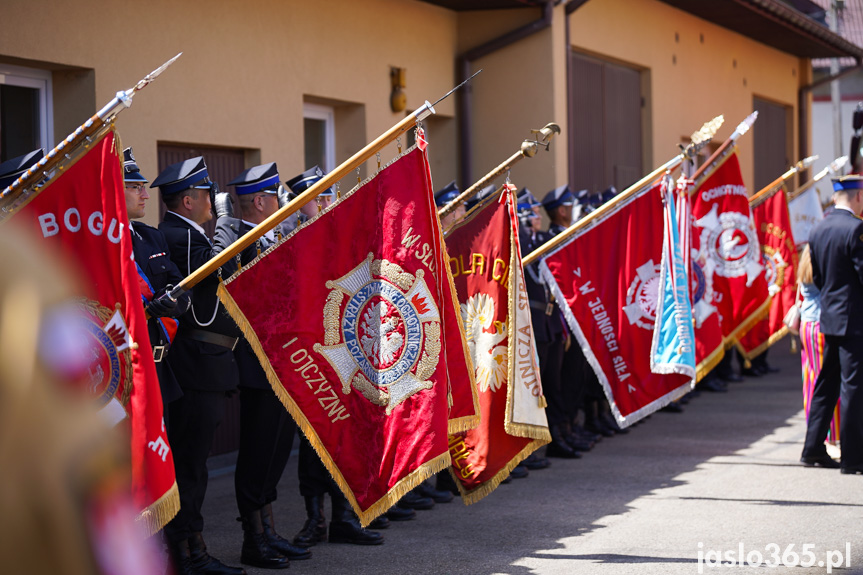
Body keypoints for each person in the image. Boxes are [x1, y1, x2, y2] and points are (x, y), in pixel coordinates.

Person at [213, 163, 311, 569]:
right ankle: (253, 539)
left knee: (276, 450)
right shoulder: (234, 235)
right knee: (256, 453)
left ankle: (269, 530)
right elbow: (230, 278)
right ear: (259, 201)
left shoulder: (282, 237)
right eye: (276, 197)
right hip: (257, 365)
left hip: (286, 362)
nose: (283, 205)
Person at [284, 167, 387, 546]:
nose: (327, 204)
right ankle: (316, 519)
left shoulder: (347, 238)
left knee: (349, 434)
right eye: (319, 198)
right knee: (314, 437)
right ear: (300, 203)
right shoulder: (289, 238)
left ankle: (346, 515)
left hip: (348, 351)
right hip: (309, 353)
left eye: (330, 195)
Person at [155, 157, 247, 575]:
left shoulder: (188, 234)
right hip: (195, 365)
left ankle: (192, 546)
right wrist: (227, 228)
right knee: (190, 466)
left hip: (208, 364)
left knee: (195, 464)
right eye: (208, 194)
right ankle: (187, 551)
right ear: (189, 200)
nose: (214, 200)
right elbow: (217, 272)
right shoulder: (177, 236)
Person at [801, 174, 863, 474]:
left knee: (826, 384)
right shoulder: (856, 229)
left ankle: (812, 448)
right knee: (853, 388)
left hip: (830, 318)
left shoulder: (818, 228)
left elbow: (821, 278)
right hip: (854, 322)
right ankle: (853, 459)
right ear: (858, 197)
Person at [123, 148, 190, 424]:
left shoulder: (151, 237)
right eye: (136, 187)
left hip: (160, 367)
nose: (146, 194)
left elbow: (181, 287)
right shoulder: (94, 245)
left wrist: (174, 302)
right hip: (122, 370)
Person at [798, 245, 840, 445]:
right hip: (819, 325)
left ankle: (817, 434)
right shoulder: (820, 263)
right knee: (826, 384)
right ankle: (829, 436)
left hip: (807, 323)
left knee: (811, 381)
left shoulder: (806, 260)